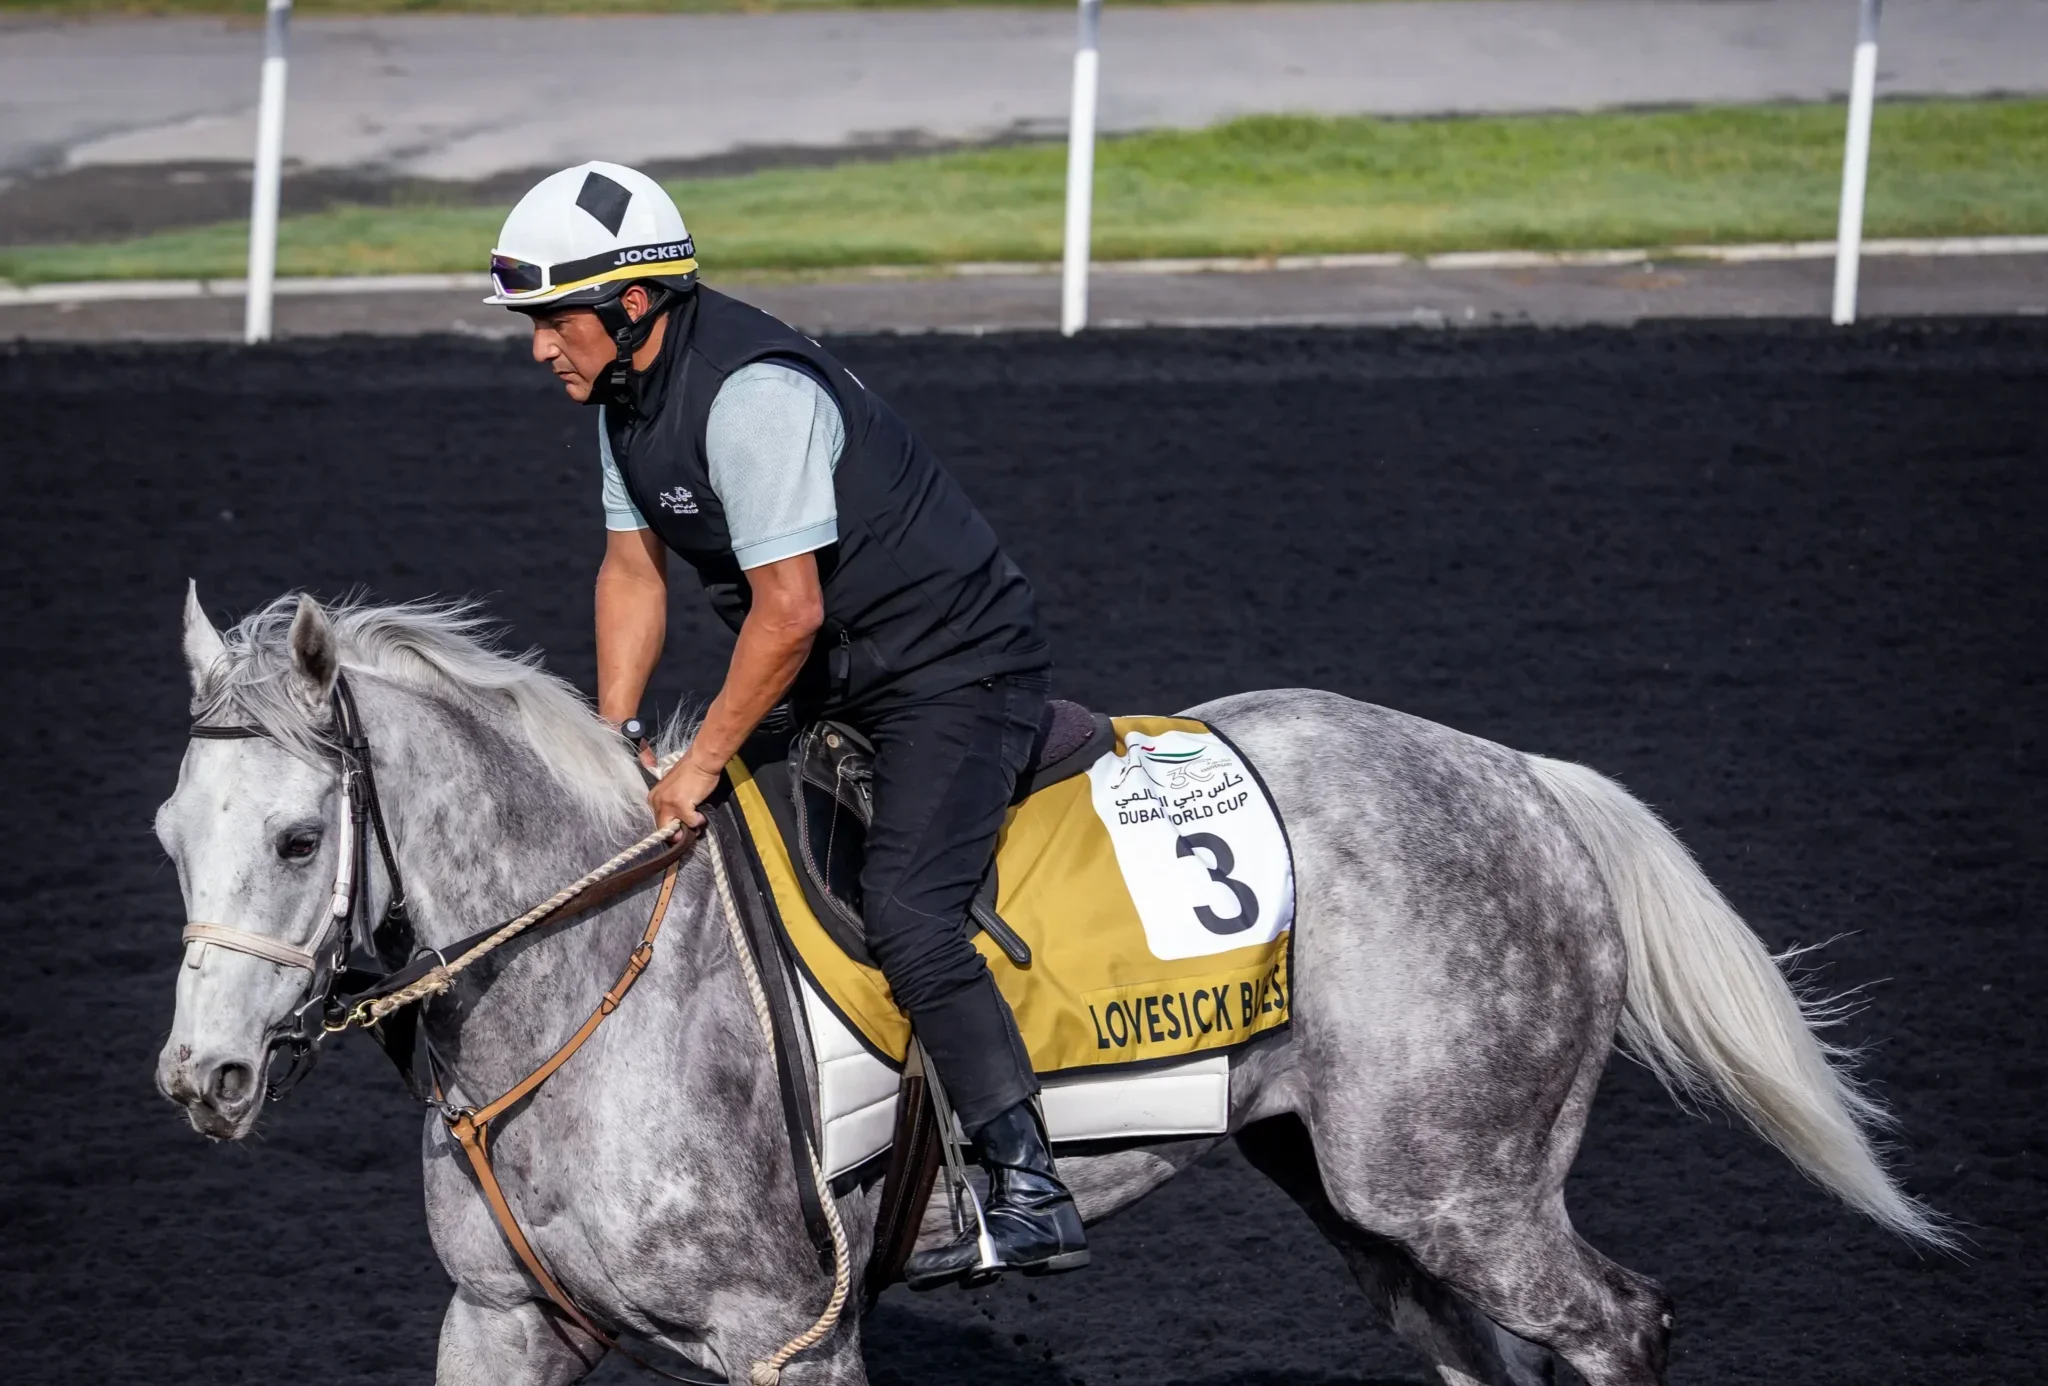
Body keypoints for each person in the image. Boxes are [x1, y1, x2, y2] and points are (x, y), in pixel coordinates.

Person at [486, 161, 1086, 1288]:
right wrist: (617, 742)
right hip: (837, 681)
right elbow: (631, 574)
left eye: (551, 321)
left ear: (630, 307)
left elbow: (788, 610)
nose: (537, 349)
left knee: (907, 911)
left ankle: (1027, 1186)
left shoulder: (752, 396)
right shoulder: (625, 399)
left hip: (957, 675)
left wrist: (700, 760)